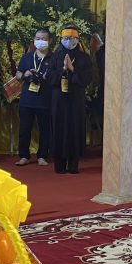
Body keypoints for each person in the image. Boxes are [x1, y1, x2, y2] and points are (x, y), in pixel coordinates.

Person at [48, 24, 94, 174]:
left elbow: (88, 78)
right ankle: (59, 164)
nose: (69, 41)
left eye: (72, 38)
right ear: (61, 39)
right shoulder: (55, 56)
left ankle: (73, 164)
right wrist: (63, 69)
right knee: (59, 128)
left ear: (77, 39)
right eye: (66, 38)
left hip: (76, 99)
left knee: (75, 128)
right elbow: (49, 77)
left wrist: (73, 69)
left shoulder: (83, 57)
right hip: (59, 100)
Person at [14, 27, 53, 166]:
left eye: (44, 39)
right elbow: (18, 75)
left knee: (45, 129)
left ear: (50, 41)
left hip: (46, 99)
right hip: (27, 99)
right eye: (38, 39)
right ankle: (24, 156)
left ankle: (42, 156)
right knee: (24, 129)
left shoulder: (54, 58)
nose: (40, 41)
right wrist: (25, 74)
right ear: (34, 40)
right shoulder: (27, 57)